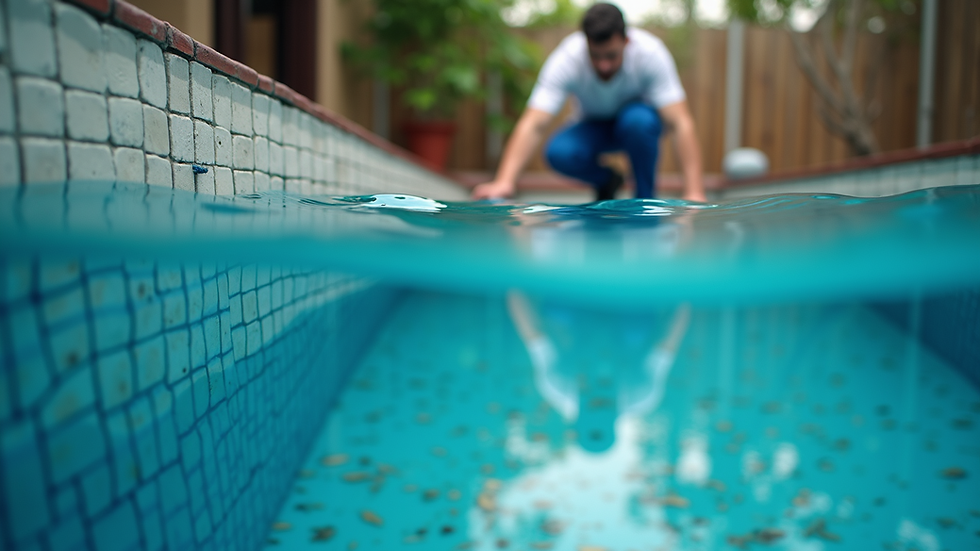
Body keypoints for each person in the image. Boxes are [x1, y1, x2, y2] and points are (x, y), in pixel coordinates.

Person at [472, 3, 706, 203]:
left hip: (635, 126)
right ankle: (608, 180)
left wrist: (694, 192)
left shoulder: (651, 54)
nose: (603, 65)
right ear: (586, 43)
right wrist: (504, 181)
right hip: (593, 128)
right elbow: (534, 123)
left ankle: (644, 199)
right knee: (559, 152)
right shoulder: (567, 58)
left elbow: (680, 123)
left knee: (639, 121)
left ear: (626, 41)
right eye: (596, 56)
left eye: (611, 56)